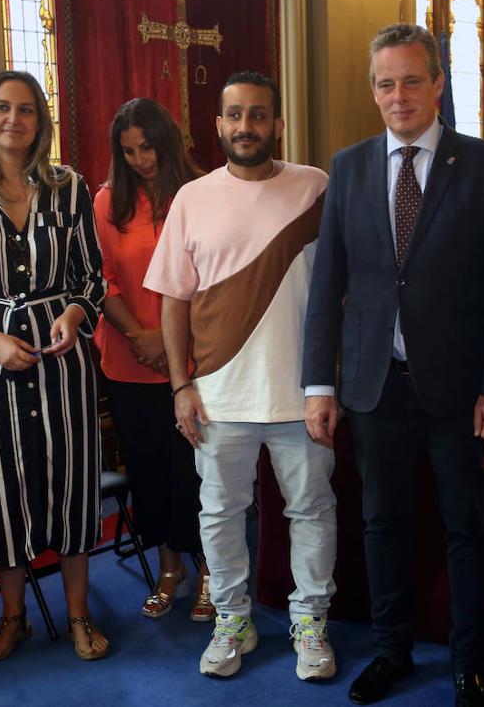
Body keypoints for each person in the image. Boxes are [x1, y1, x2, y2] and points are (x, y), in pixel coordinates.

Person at [302, 23, 484, 707]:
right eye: (386, 83)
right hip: (373, 389)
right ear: (373, 91)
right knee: (382, 525)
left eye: (412, 80)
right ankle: (392, 651)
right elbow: (327, 285)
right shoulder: (349, 166)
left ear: (438, 84)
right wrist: (319, 382)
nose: (399, 96)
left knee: (466, 526)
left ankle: (468, 664)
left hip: (457, 391)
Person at [144, 71, 338, 681]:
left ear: (277, 124)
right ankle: (233, 619)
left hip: (301, 395)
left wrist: (326, 384)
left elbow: (338, 292)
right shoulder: (192, 199)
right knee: (219, 515)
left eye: (258, 115)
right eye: (234, 115)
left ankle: (310, 623)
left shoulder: (316, 188)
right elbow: (173, 301)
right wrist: (181, 385)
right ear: (218, 124)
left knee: (310, 511)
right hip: (218, 396)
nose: (245, 126)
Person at [0, 70, 109, 662]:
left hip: (63, 361)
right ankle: (13, 616)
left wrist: (77, 315)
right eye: (3, 108)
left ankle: (79, 614)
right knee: (0, 489)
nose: (14, 119)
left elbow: (92, 275)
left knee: (73, 483)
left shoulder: (69, 187)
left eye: (27, 109)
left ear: (41, 121)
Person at [93, 97, 213, 622]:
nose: (140, 159)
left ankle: (211, 566)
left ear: (167, 141)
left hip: (193, 360)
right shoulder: (106, 202)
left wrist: (167, 345)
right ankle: (170, 567)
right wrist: (137, 334)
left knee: (197, 470)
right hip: (128, 357)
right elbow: (103, 278)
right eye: (129, 151)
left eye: (147, 147)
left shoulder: (203, 192)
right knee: (148, 470)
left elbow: (211, 282)